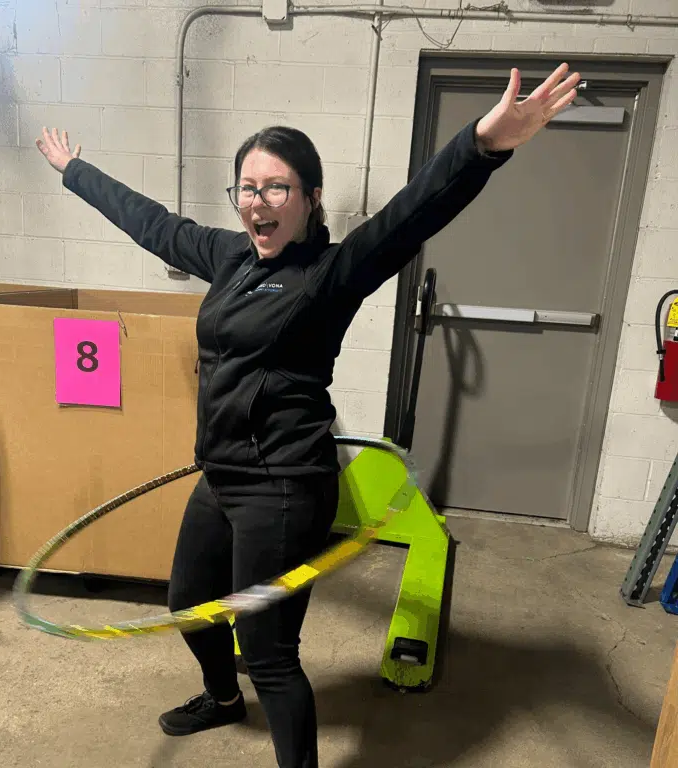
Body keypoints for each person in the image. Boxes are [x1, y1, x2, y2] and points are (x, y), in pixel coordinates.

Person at [36, 62, 580, 767]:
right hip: (222, 474)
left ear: (309, 197)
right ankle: (221, 698)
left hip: (286, 484)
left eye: (277, 188)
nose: (258, 202)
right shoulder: (230, 257)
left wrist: (484, 145)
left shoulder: (332, 271)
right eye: (248, 189)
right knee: (189, 602)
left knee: (269, 653)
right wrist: (75, 169)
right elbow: (154, 224)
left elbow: (412, 212)